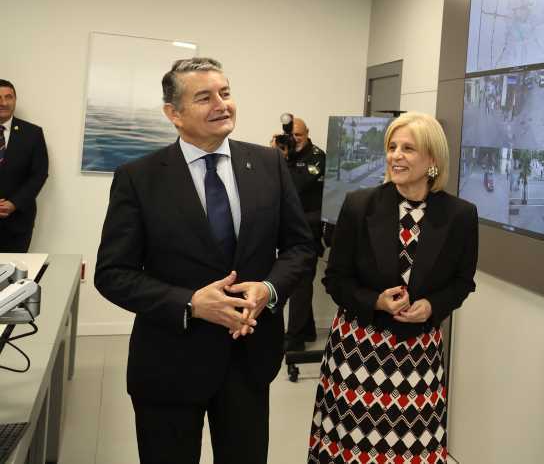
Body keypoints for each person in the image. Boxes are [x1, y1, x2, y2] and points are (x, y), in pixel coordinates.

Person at [95, 58, 317, 464]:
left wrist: (268, 289)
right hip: (169, 363)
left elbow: (301, 247)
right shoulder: (138, 177)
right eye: (204, 97)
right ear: (173, 114)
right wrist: (191, 304)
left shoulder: (268, 165)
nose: (222, 104)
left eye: (225, 93)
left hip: (249, 360)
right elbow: (112, 274)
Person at [309, 112, 478, 464]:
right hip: (357, 356)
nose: (395, 155)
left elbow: (462, 283)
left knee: (410, 452)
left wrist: (432, 306)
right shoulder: (359, 205)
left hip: (418, 361)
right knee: (351, 452)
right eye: (392, 147)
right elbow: (335, 279)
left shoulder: (460, 215)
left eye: (408, 148)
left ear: (432, 159)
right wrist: (376, 302)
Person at [275, 117, 327, 352]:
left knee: (300, 283)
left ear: (307, 134)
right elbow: (271, 182)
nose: (294, 140)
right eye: (291, 135)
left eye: (299, 135)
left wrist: (284, 160)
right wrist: (274, 156)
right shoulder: (283, 153)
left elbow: (294, 185)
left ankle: (294, 338)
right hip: (288, 227)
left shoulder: (317, 156)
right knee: (300, 282)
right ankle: (307, 330)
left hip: (309, 229)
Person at [0, 80, 49, 253]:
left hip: (17, 222)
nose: (3, 103)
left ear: (15, 100)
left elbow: (39, 174)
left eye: (8, 97)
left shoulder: (33, 134)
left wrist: (14, 203)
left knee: (13, 276)